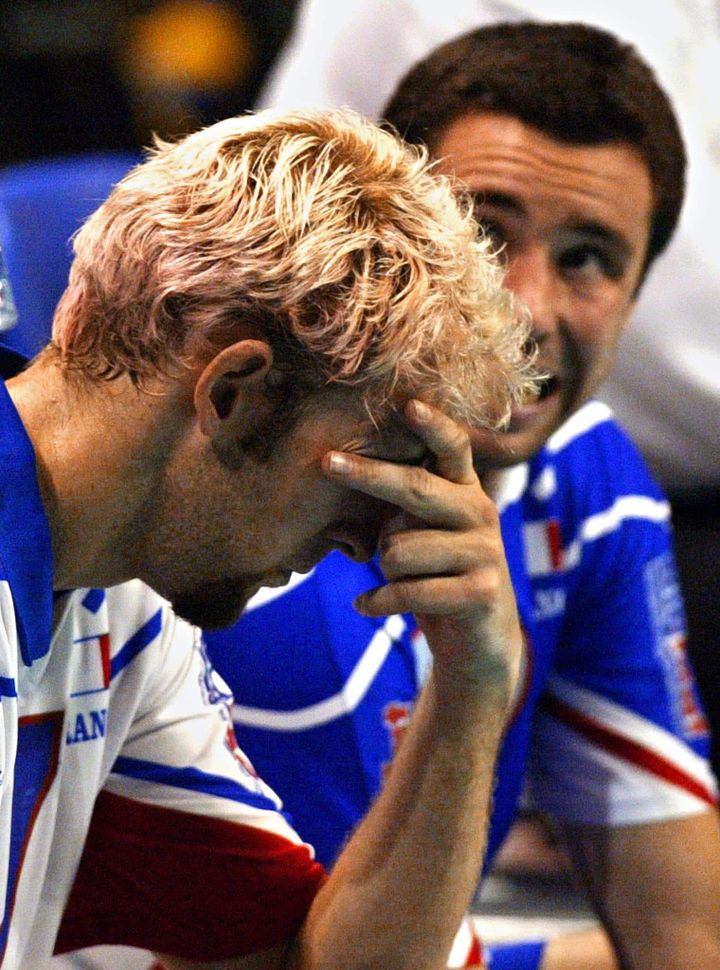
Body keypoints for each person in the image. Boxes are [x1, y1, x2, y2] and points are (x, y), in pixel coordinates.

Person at [205, 23, 720, 970]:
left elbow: (685, 937)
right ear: (384, 241)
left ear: (639, 297)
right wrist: (478, 688)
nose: (527, 308)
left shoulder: (588, 483)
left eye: (589, 258)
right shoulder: (259, 547)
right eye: (485, 232)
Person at [0, 107, 536, 969]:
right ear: (234, 395)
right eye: (374, 473)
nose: (375, 538)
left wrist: (474, 685)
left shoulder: (122, 605)